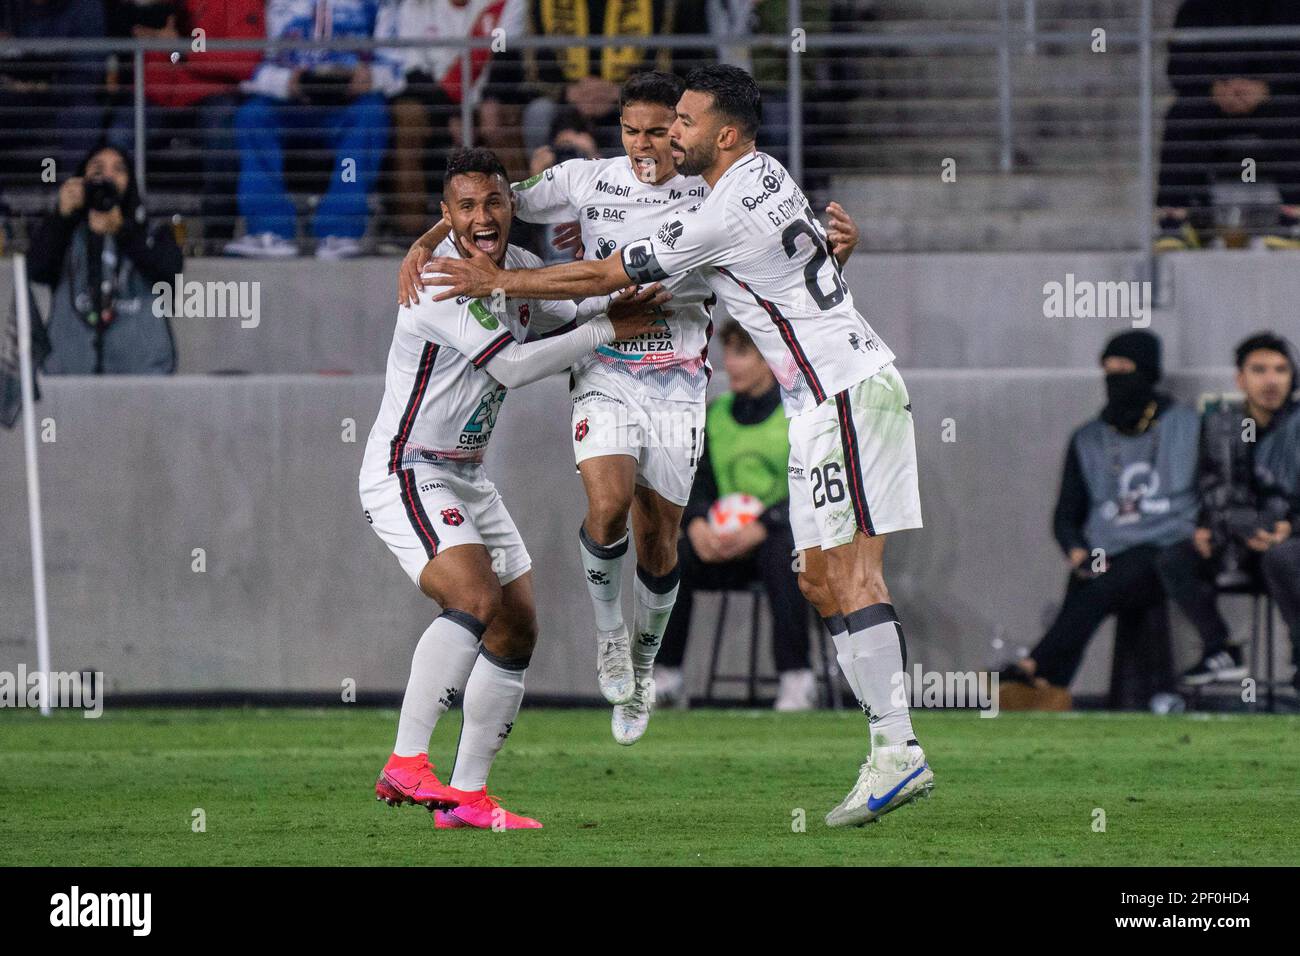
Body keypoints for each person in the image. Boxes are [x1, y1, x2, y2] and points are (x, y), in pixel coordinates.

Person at [421, 64, 932, 827]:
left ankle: (897, 751)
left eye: (684, 122)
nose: (668, 135)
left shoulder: (717, 213)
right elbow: (794, 272)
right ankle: (889, 747)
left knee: (852, 574)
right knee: (821, 578)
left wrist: (492, 283)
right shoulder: (766, 174)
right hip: (831, 395)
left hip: (843, 390)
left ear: (722, 135)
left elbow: (600, 271)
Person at [360, 147, 665, 829]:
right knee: (474, 597)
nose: (482, 216)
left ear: (510, 205)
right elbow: (520, 366)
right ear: (447, 219)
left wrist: (617, 299)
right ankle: (406, 762)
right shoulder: (438, 281)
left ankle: (467, 796)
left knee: (516, 629)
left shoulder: (522, 271)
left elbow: (572, 310)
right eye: (464, 207)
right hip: (408, 468)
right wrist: (607, 327)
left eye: (493, 201)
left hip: (468, 475)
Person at [1003, 332, 1200, 705]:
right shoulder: (1089, 438)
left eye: (1125, 370)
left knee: (1097, 587)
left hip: (1169, 548)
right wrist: (1076, 551)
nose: (1116, 380)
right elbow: (1066, 515)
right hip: (1107, 553)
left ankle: (1035, 670)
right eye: (1109, 371)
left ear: (1148, 372)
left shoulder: (1186, 424)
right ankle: (1045, 688)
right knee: (1089, 578)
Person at [658, 320, 814, 710]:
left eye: (742, 353)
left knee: (787, 555)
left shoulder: (799, 414)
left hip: (780, 540)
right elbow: (698, 481)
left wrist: (764, 525)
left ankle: (797, 678)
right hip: (724, 543)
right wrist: (695, 523)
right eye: (726, 353)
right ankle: (667, 676)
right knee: (672, 558)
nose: (730, 364)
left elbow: (811, 488)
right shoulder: (715, 414)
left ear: (769, 358)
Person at [1155, 332, 1299, 688]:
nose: (1271, 380)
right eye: (1260, 370)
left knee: (1283, 558)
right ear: (1241, 379)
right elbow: (1210, 486)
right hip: (1233, 541)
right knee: (1174, 559)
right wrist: (1207, 526)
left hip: (1288, 541)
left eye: (1281, 370)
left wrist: (1290, 526)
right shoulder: (1220, 424)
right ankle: (1220, 649)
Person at [225, 0, 391, 259]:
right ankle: (269, 230)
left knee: (370, 113)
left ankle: (341, 231)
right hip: (287, 104)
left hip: (347, 107)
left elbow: (398, 61)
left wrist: (373, 76)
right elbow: (249, 64)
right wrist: (286, 81)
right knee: (252, 115)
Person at [105, 0, 265, 246]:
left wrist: (184, 50)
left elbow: (245, 60)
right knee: (118, 139)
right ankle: (118, 237)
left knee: (222, 135)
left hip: (210, 93)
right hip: (154, 93)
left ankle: (217, 239)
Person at [375, 0, 529, 237]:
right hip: (433, 102)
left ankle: (518, 234)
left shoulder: (506, 3)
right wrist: (451, 114)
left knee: (503, 120)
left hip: (487, 99)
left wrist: (491, 100)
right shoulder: (414, 7)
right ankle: (411, 233)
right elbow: (413, 72)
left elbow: (507, 56)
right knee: (407, 117)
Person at [1155, 0, 1300, 251]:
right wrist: (1214, 87)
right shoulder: (1195, 8)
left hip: (1273, 96)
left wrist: (1267, 88)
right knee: (1182, 115)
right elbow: (1178, 64)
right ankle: (1175, 222)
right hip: (1213, 97)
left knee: (1291, 113)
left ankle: (1294, 218)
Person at [27, 143, 181, 374]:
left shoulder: (153, 232)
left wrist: (123, 231)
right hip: (70, 372)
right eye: (98, 171)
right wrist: (61, 216)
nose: (107, 177)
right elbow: (36, 269)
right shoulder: (65, 233)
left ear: (131, 181)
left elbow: (169, 271)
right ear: (81, 181)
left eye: (118, 169)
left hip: (141, 375)